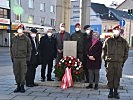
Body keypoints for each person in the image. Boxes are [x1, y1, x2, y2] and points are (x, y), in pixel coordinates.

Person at [102, 26, 129, 99]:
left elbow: (126, 52)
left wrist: (123, 60)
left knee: (117, 77)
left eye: (118, 30)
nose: (116, 31)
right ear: (113, 31)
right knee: (110, 77)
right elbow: (104, 51)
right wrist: (105, 59)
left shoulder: (123, 41)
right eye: (115, 30)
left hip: (118, 62)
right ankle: (110, 92)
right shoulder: (108, 40)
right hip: (110, 62)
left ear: (120, 31)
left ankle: (116, 92)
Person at [10, 24, 32, 93]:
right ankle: (18, 86)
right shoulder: (14, 38)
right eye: (19, 28)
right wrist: (12, 57)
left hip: (23, 58)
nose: (20, 29)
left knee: (23, 72)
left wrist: (28, 58)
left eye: (21, 28)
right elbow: (11, 49)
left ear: (23, 30)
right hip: (16, 58)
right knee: (16, 72)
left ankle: (22, 86)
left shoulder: (26, 39)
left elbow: (29, 49)